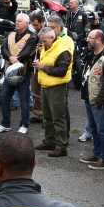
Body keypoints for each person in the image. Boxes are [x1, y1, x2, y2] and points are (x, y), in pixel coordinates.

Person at [79, 30, 104, 170]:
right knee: (94, 128)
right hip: (89, 97)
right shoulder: (91, 54)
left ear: (99, 40)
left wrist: (100, 100)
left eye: (91, 37)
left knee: (103, 129)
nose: (87, 39)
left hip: (98, 101)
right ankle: (96, 153)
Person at [0, 13, 36, 134]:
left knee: (24, 100)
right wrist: (10, 57)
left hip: (23, 72)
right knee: (4, 97)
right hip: (9, 71)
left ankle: (24, 124)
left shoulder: (32, 36)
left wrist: (17, 58)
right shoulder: (10, 34)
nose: (17, 23)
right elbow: (3, 48)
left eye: (20, 21)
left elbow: (28, 51)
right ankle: (5, 124)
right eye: (16, 21)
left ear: (27, 23)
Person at [34, 26, 74, 157]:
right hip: (45, 85)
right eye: (41, 41)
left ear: (52, 37)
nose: (42, 43)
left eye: (44, 41)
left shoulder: (63, 50)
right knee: (47, 116)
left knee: (58, 117)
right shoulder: (45, 47)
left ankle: (61, 146)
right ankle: (49, 141)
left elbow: (61, 72)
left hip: (57, 87)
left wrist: (42, 67)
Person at [29, 10, 47, 124]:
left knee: (42, 91)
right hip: (35, 66)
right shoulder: (34, 33)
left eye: (36, 24)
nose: (34, 27)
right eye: (33, 24)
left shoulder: (47, 33)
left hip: (44, 67)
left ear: (42, 22)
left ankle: (45, 115)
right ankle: (38, 114)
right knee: (35, 90)